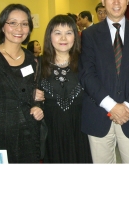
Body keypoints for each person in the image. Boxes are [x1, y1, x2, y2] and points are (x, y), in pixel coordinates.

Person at [79, 0, 129, 163]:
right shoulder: (89, 35)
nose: (116, 2)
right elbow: (87, 74)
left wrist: (126, 108)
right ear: (103, 1)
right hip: (99, 113)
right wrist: (112, 106)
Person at [0, 3, 44, 163]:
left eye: (24, 24)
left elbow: (34, 93)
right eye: (12, 23)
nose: (19, 29)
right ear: (3, 27)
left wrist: (37, 105)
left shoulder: (32, 60)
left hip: (28, 134)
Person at [39, 15, 92, 163]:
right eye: (57, 33)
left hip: (81, 132)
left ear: (75, 36)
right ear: (49, 36)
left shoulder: (86, 63)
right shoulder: (38, 64)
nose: (63, 38)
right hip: (51, 132)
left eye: (69, 33)